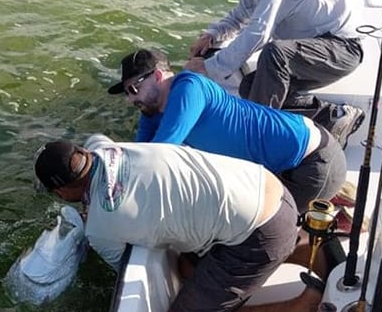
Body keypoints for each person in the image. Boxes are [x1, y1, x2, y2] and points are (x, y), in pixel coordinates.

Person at [34, 134, 323, 312]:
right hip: (268, 186)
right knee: (186, 269)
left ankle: (302, 306)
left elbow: (122, 271)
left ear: (61, 192)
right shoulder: (103, 146)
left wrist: (92, 222)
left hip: (259, 232)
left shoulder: (99, 229)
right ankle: (310, 248)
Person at [107, 48, 346, 212]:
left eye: (133, 89)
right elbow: (135, 157)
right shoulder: (152, 111)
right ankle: (332, 198)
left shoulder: (189, 87)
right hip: (282, 168)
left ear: (158, 75)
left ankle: (329, 209)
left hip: (312, 164)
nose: (130, 99)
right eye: (127, 93)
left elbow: (159, 155)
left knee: (258, 236)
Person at [184, 0, 366, 141]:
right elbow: (240, 17)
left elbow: (258, 33)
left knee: (275, 53)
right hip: (311, 51)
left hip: (343, 48)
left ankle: (255, 136)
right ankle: (332, 116)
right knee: (249, 87)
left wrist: (209, 67)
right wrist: (212, 35)